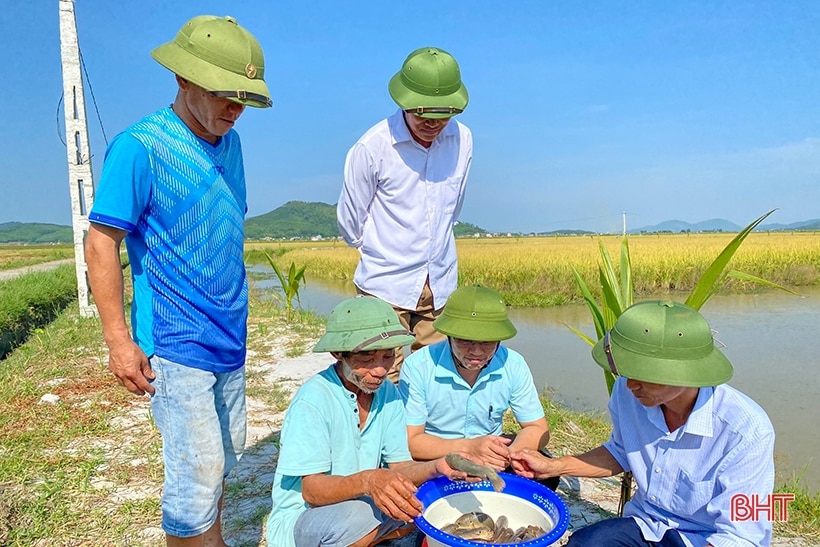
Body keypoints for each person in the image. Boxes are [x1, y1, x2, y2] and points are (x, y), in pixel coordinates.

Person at [84, 15, 271, 547]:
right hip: (175, 342)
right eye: (222, 93)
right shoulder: (140, 147)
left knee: (223, 462)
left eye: (243, 98)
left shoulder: (230, 143)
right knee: (195, 478)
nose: (233, 109)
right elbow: (101, 241)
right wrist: (120, 342)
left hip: (229, 339)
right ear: (183, 80)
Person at [510, 300, 775, 547]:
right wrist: (553, 467)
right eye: (626, 372)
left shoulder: (747, 432)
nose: (630, 384)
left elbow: (742, 536)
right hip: (647, 523)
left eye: (644, 374)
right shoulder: (630, 392)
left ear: (687, 373)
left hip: (707, 538)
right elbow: (621, 452)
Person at [265, 296, 476, 547]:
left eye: (388, 357)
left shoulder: (387, 393)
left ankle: (376, 537)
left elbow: (399, 467)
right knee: (359, 516)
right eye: (366, 358)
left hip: (362, 503)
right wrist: (369, 480)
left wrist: (437, 467)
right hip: (306, 516)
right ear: (338, 353)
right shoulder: (313, 400)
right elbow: (311, 490)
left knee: (426, 500)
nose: (379, 370)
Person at [337, 46, 473, 383]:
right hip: (386, 283)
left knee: (437, 373)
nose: (432, 124)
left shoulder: (463, 140)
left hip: (440, 282)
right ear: (402, 103)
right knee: (381, 375)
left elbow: (453, 207)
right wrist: (385, 252)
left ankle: (425, 436)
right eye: (422, 114)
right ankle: (383, 436)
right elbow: (351, 221)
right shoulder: (373, 147)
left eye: (442, 116)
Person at [399, 284, 559, 491]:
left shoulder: (513, 364)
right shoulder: (419, 366)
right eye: (465, 341)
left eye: (487, 342)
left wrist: (508, 455)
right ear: (449, 336)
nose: (476, 351)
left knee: (546, 477)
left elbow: (539, 429)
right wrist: (469, 447)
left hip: (492, 454)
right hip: (438, 454)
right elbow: (412, 442)